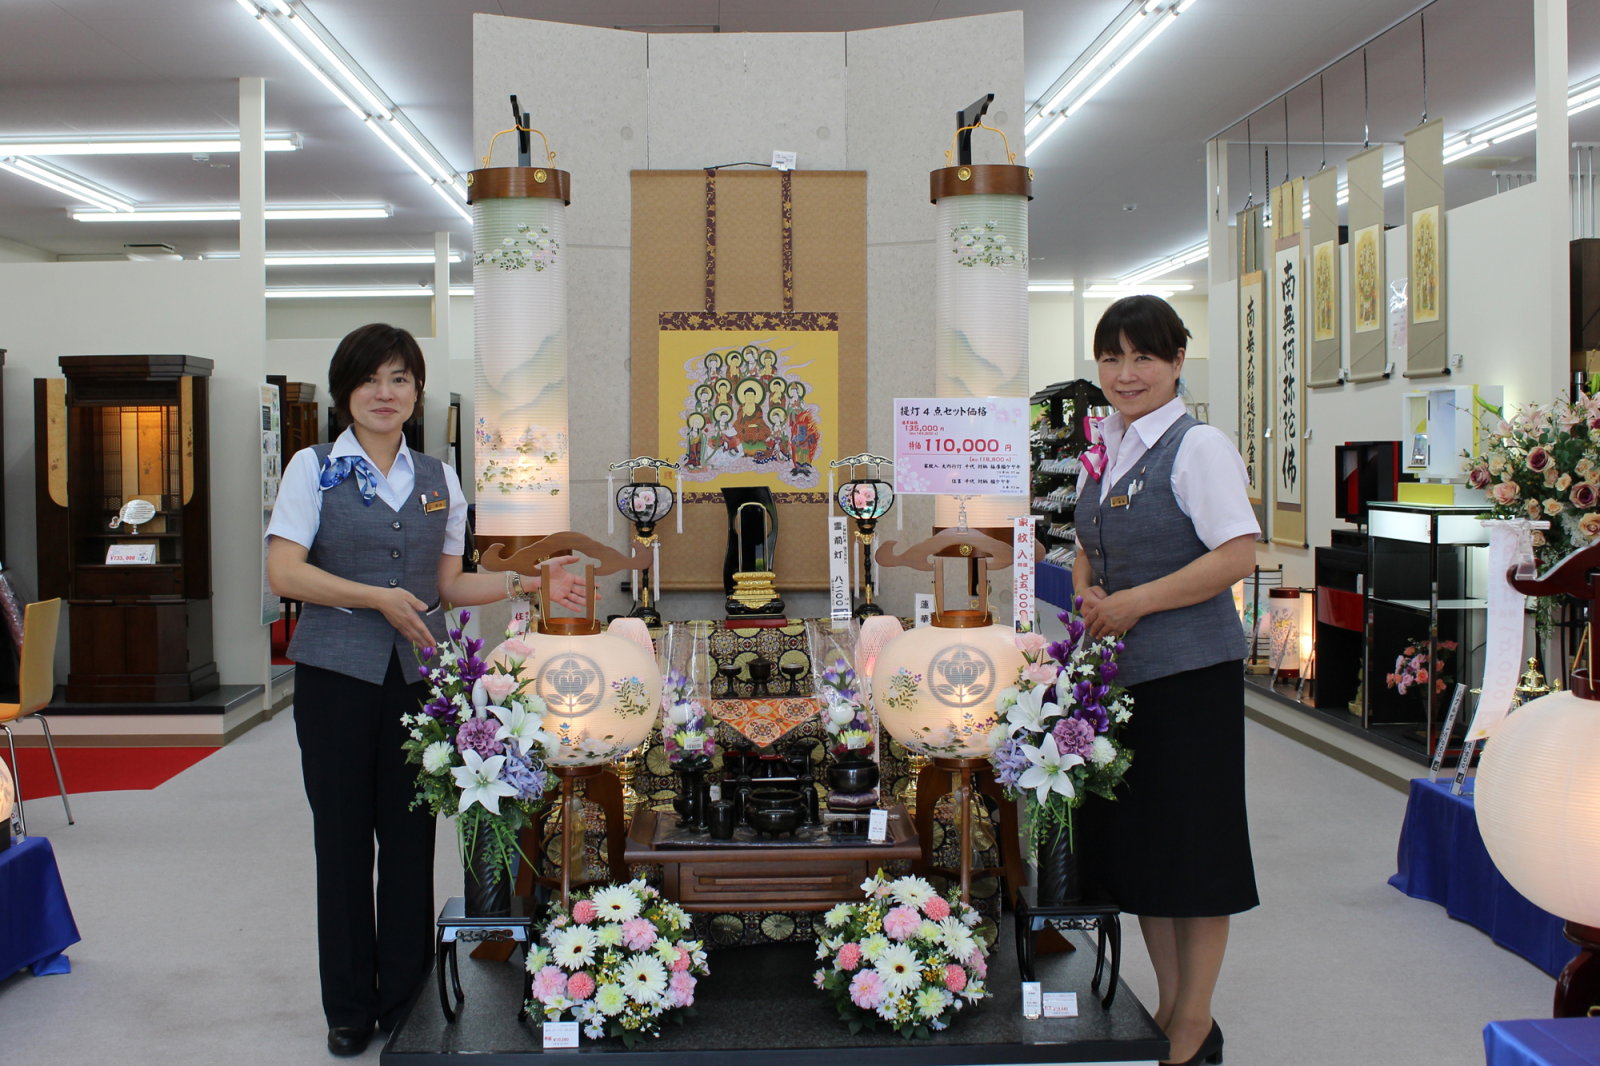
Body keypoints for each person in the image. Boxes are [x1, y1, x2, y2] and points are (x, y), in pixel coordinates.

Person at [265, 323, 586, 1058]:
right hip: (335, 679)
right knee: (343, 842)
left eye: (400, 379)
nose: (386, 394)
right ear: (346, 389)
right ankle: (347, 1007)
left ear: (416, 392)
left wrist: (524, 581)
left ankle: (404, 997)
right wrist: (375, 598)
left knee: (409, 839)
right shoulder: (312, 469)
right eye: (371, 379)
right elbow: (285, 574)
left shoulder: (440, 477)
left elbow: (446, 586)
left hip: (419, 685)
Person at [1071, 296, 1259, 1066]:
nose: (1126, 373)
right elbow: (1091, 539)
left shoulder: (1198, 445)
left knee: (1196, 854)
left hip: (1190, 681)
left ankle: (1195, 1022)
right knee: (1147, 855)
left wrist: (1136, 602)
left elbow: (1236, 553)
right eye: (1111, 358)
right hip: (1126, 681)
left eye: (1142, 357)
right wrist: (1088, 588)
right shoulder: (1108, 443)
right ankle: (1172, 1003)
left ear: (1177, 360)